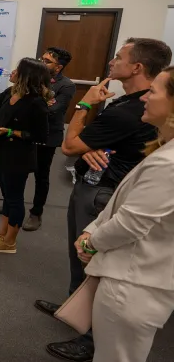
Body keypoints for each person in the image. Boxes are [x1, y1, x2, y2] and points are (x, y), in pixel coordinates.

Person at [36, 38, 172, 362]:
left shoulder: (130, 112)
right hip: (100, 192)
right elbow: (89, 144)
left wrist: (84, 105)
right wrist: (93, 145)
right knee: (81, 260)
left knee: (90, 261)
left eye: (119, 57)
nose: (111, 62)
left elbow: (70, 146)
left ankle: (90, 336)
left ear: (137, 67)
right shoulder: (127, 106)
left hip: (101, 194)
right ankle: (77, 307)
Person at [75, 66, 174, 362]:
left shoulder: (168, 164)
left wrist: (92, 242)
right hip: (137, 278)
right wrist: (93, 229)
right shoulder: (164, 150)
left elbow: (131, 222)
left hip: (132, 286)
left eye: (154, 92)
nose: (145, 98)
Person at [0, 58, 50, 253]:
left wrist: (11, 132)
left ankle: (10, 241)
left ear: (26, 76)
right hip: (2, 151)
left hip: (19, 156)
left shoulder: (36, 102)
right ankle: (2, 233)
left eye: (17, 69)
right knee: (7, 197)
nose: (12, 71)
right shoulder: (11, 92)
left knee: (15, 198)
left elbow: (41, 136)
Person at [19, 47, 76, 231]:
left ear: (58, 67)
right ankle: (13, 203)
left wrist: (33, 105)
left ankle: (36, 213)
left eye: (46, 61)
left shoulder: (66, 85)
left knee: (40, 175)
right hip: (27, 132)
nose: (41, 62)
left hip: (48, 135)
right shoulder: (34, 79)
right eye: (41, 59)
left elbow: (53, 110)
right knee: (18, 170)